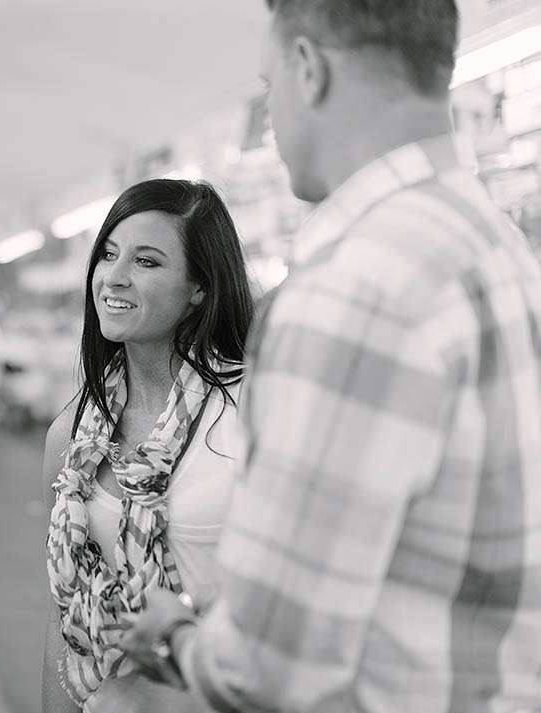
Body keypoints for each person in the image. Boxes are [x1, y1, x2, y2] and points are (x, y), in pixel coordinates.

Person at [121, 2, 541, 712]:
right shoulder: (500, 248)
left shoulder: (350, 288)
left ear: (309, 70)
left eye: (269, 84)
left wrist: (176, 637)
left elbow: (270, 669)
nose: (273, 115)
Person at [42, 178, 255, 712]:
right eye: (109, 254)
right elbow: (63, 613)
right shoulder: (72, 433)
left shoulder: (253, 411)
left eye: (147, 262)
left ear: (199, 288)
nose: (113, 277)